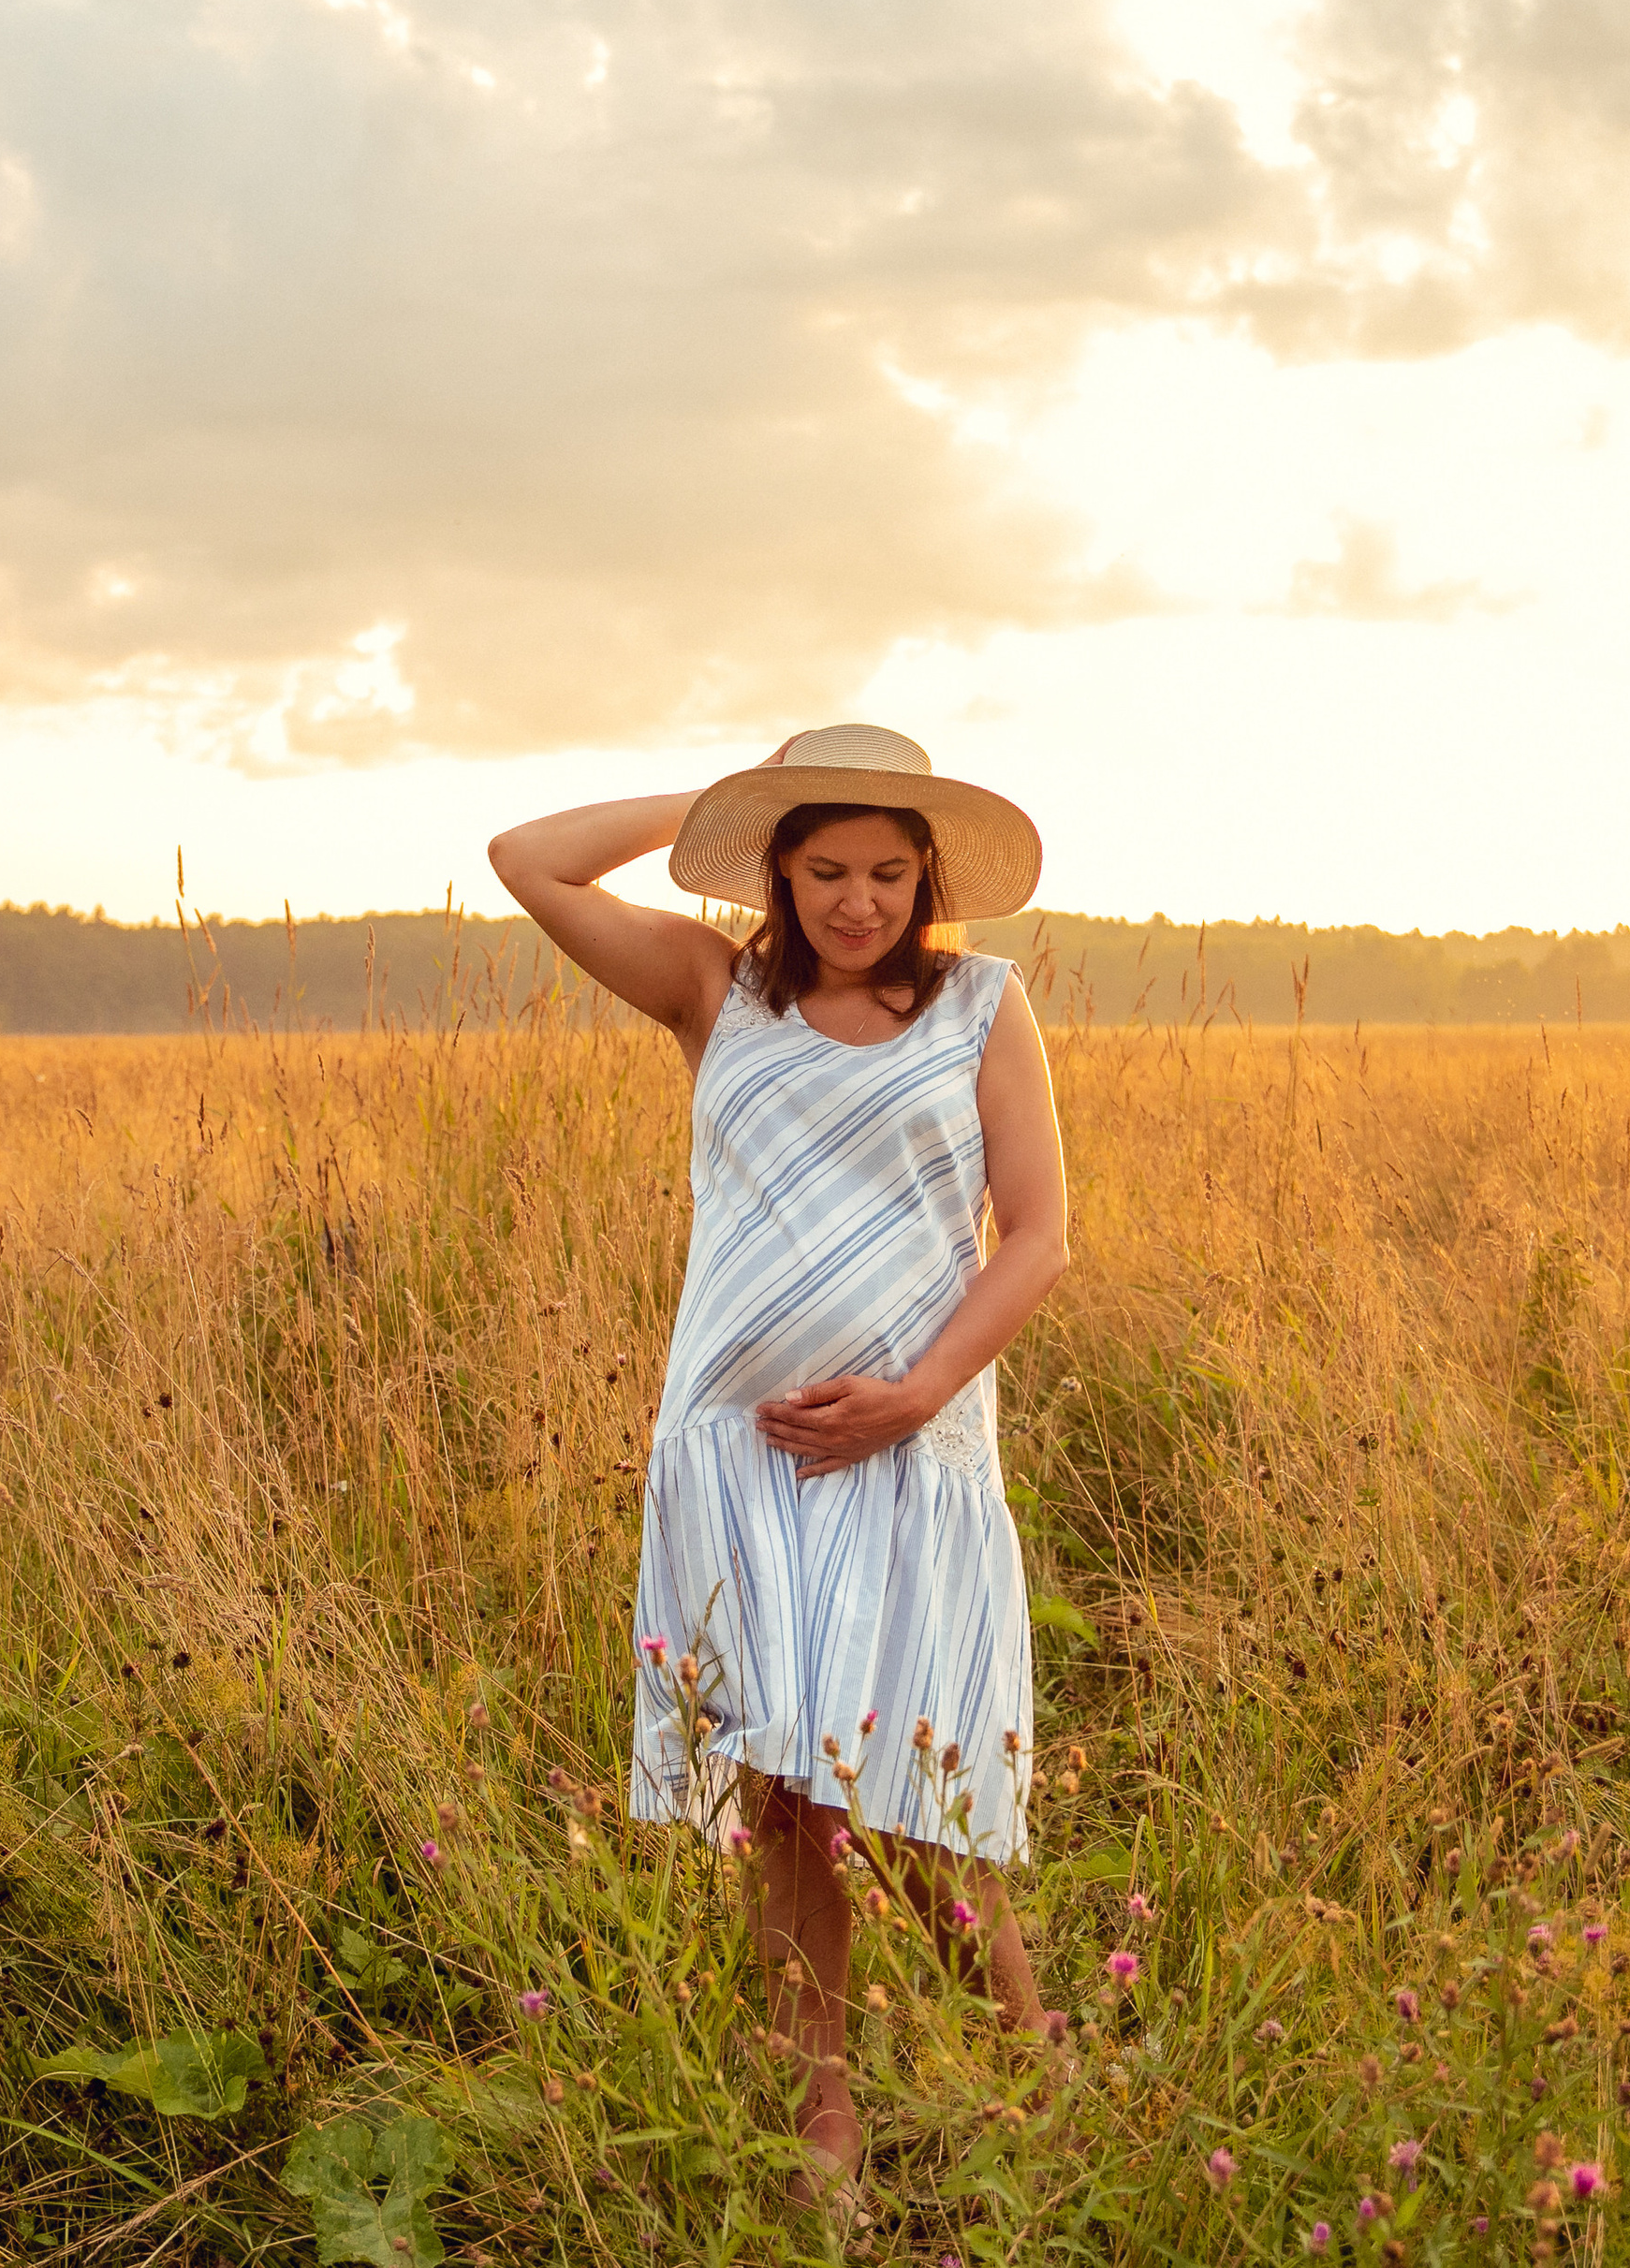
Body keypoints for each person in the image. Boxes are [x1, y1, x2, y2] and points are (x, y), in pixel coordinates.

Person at [488, 723, 1069, 2225]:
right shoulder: (715, 991)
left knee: (908, 1802)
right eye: (821, 867)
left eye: (886, 869)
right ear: (781, 870)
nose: (858, 900)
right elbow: (524, 859)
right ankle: (828, 2126)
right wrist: (723, 810)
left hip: (913, 1451)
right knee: (787, 1802)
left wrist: (917, 1393)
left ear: (927, 874)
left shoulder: (984, 1007)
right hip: (741, 1460)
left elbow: (1040, 1237)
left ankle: (1045, 2081)